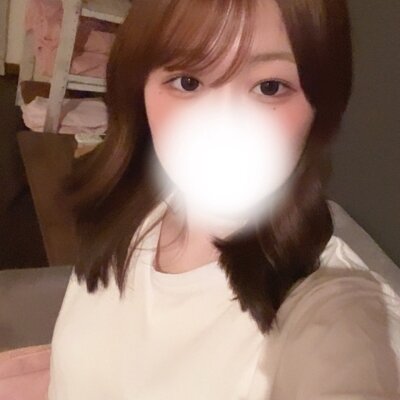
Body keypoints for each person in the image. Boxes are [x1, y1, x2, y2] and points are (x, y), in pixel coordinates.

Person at [47, 0, 400, 399]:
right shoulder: (131, 206)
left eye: (270, 87)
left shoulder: (335, 310)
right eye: (187, 82)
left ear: (321, 107)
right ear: (139, 88)